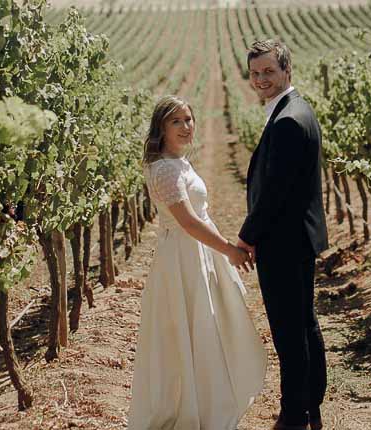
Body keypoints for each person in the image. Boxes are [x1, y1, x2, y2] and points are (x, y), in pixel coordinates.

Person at [127, 96, 266, 430]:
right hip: (181, 259)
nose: (186, 126)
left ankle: (206, 401)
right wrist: (229, 250)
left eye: (189, 119)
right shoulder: (163, 169)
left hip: (196, 254)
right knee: (191, 328)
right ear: (161, 127)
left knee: (206, 325)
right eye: (177, 121)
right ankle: (190, 410)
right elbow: (188, 222)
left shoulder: (179, 163)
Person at [237, 40, 330, 430]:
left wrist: (246, 237)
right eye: (256, 73)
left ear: (286, 71)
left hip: (285, 241)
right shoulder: (292, 111)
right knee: (303, 324)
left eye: (268, 72)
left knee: (291, 333)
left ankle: (294, 416)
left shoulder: (290, 119)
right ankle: (310, 409)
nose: (261, 80)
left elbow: (275, 192)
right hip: (293, 239)